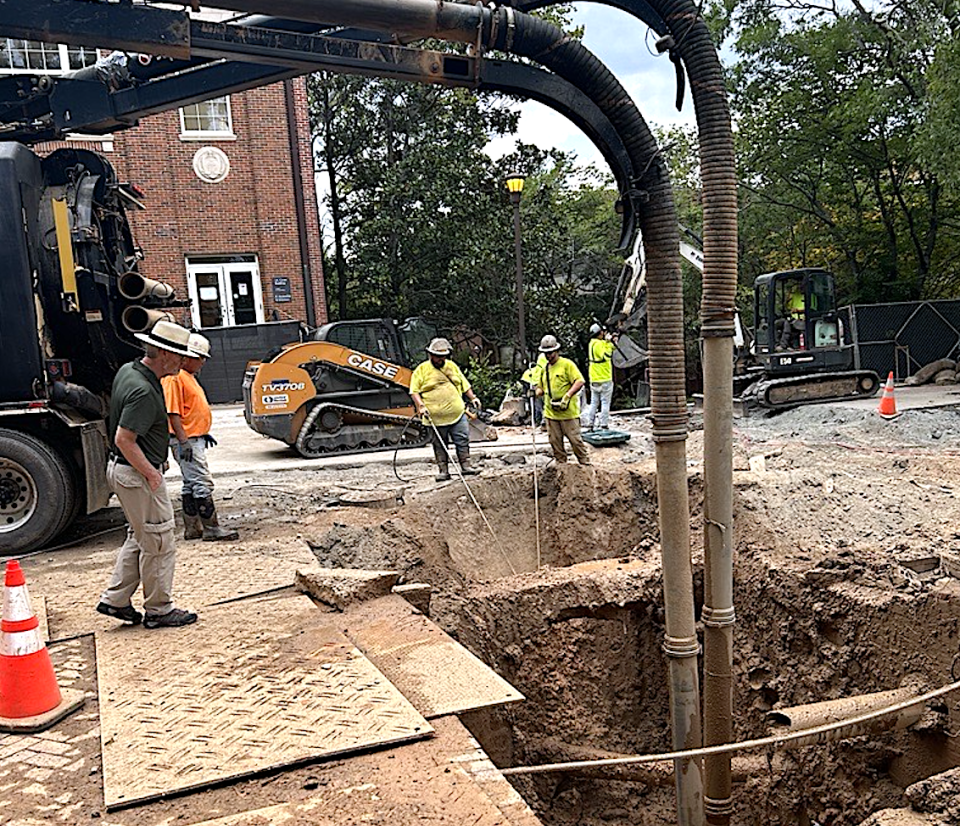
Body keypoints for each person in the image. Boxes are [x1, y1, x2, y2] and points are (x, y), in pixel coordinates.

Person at [96, 319, 198, 629]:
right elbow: (124, 439)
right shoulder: (142, 390)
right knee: (159, 541)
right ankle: (159, 609)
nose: (183, 362)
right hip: (135, 474)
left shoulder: (131, 371)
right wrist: (152, 475)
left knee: (140, 537)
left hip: (123, 472)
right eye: (180, 356)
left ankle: (115, 600)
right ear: (165, 355)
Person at [162, 332, 239, 542]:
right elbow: (173, 412)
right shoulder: (175, 378)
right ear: (187, 357)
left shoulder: (187, 377)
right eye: (201, 357)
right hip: (186, 441)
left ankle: (193, 528)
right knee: (202, 482)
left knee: (190, 483)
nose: (203, 362)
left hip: (193, 438)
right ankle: (211, 529)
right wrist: (184, 441)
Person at [410, 337, 482, 482]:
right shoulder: (422, 370)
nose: (440, 359)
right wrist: (421, 406)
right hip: (435, 417)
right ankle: (443, 470)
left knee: (462, 439)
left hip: (457, 413)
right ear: (430, 355)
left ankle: (466, 466)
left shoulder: (452, 366)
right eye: (437, 356)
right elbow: (414, 391)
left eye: (443, 357)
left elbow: (464, 383)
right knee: (440, 443)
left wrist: (473, 397)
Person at [535, 334, 591, 465]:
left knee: (575, 440)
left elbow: (579, 381)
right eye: (546, 353)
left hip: (568, 413)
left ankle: (585, 464)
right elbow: (540, 387)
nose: (548, 356)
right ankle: (561, 465)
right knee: (555, 441)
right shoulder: (545, 369)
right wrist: (536, 392)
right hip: (551, 413)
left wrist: (568, 395)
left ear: (557, 351)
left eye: (551, 353)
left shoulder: (567, 365)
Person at [582, 323, 616, 431]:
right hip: (604, 377)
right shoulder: (599, 345)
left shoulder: (592, 343)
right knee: (605, 403)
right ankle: (604, 425)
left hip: (594, 378)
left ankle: (590, 424)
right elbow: (607, 355)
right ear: (600, 333)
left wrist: (609, 342)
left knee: (594, 403)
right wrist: (609, 343)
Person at [778, 283, 805, 350]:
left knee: (787, 326)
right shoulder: (795, 295)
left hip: (804, 319)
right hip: (793, 318)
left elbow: (812, 308)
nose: (800, 287)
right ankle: (777, 344)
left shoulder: (811, 295)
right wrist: (788, 297)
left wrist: (799, 310)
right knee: (777, 324)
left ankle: (784, 345)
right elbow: (788, 307)